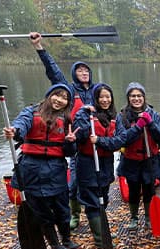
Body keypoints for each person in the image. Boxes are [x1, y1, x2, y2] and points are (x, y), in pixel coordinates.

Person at [3, 84, 81, 249]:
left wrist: (70, 141)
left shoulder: (67, 120)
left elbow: (70, 152)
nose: (59, 100)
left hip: (56, 168)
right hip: (32, 168)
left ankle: (67, 239)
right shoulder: (31, 112)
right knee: (43, 210)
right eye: (57, 95)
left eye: (64, 98)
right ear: (49, 95)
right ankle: (55, 244)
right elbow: (20, 125)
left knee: (62, 208)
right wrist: (15, 131)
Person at [30, 32, 97, 230]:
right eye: (80, 70)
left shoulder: (97, 92)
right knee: (74, 183)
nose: (84, 73)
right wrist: (39, 47)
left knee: (96, 182)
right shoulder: (68, 89)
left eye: (86, 71)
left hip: (94, 141)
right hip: (74, 142)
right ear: (75, 73)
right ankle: (75, 215)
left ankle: (94, 212)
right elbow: (53, 72)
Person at [73, 83, 131, 246]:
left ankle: (100, 230)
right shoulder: (85, 114)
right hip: (88, 163)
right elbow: (80, 135)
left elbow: (120, 140)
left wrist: (99, 140)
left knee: (103, 199)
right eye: (101, 97)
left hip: (105, 163)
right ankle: (101, 240)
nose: (105, 100)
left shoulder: (115, 117)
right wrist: (84, 115)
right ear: (95, 99)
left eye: (108, 96)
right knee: (92, 200)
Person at [116, 82, 160, 230]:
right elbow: (122, 139)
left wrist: (150, 123)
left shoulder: (152, 114)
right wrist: (138, 126)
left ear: (144, 97)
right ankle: (133, 218)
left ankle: (148, 217)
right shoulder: (122, 116)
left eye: (139, 96)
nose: (136, 99)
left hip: (149, 159)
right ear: (128, 98)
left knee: (149, 189)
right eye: (133, 96)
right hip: (131, 160)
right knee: (133, 190)